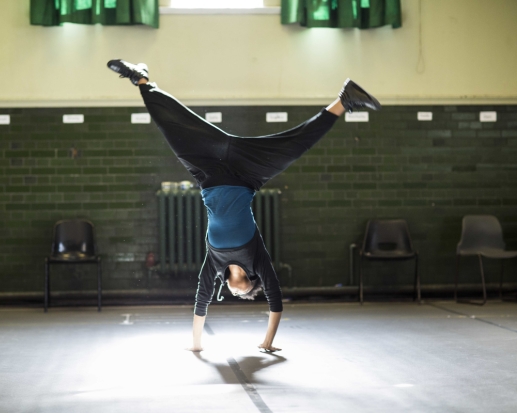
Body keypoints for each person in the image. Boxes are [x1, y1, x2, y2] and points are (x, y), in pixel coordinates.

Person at [107, 59, 381, 352]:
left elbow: (201, 301)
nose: (238, 296)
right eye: (245, 295)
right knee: (295, 145)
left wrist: (196, 345)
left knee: (171, 126)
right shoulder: (256, 259)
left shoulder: (215, 264)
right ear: (251, 283)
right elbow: (276, 304)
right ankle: (344, 100)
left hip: (208, 172)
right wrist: (266, 343)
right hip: (247, 173)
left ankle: (142, 80)